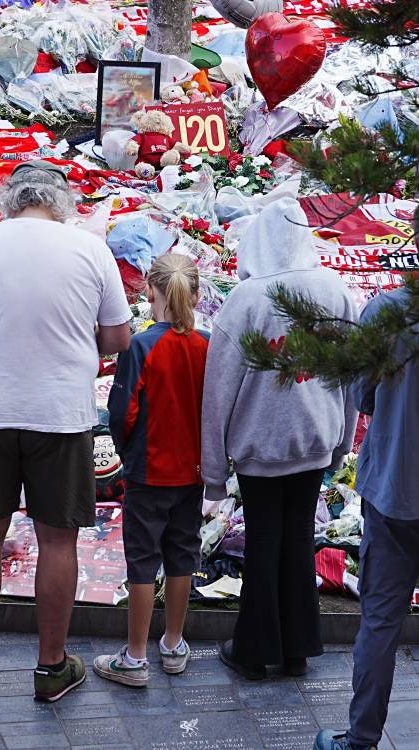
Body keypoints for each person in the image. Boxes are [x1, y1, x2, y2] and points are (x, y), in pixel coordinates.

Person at [0, 160, 132, 702]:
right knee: (57, 538)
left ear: (9, 199)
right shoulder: (90, 249)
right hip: (61, 413)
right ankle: (52, 667)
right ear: (61, 202)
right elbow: (118, 337)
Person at [202, 197, 357, 681]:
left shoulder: (247, 300)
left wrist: (211, 473)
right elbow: (350, 374)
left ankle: (255, 648)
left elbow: (217, 389)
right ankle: (297, 646)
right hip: (314, 439)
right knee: (296, 540)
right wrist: (342, 441)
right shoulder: (334, 289)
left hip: (261, 445)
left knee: (265, 542)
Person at [92, 253, 209, 688]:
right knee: (183, 554)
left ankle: (135, 656)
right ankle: (174, 643)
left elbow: (122, 410)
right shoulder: (206, 343)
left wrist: (126, 449)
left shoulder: (142, 345)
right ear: (196, 295)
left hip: (147, 469)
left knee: (142, 560)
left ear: (150, 291)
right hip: (191, 470)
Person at [315, 283, 418, 750]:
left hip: (395, 491)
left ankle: (360, 740)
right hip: (392, 491)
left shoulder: (387, 311)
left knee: (379, 622)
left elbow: (364, 394)